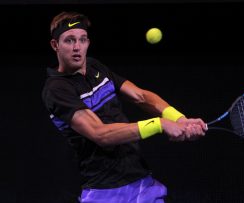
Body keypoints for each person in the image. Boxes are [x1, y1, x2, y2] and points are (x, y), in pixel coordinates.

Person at [42, 11, 208, 203]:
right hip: (104, 191)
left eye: (82, 39)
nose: (77, 47)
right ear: (55, 45)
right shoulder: (56, 89)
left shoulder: (95, 67)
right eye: (69, 41)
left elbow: (141, 96)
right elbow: (100, 134)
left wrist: (179, 119)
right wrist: (159, 124)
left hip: (141, 181)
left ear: (88, 42)